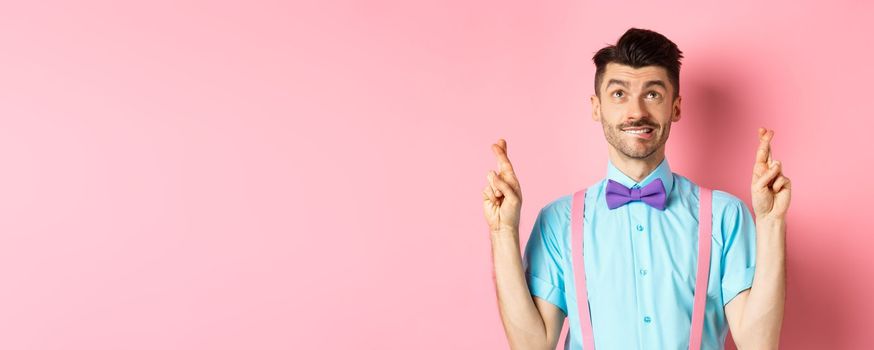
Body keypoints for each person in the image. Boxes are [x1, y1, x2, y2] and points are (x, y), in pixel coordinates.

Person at [482, 28, 789, 349]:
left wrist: (771, 223)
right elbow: (532, 345)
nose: (636, 112)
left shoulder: (726, 216)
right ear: (596, 106)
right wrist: (503, 231)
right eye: (619, 94)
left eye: (653, 94)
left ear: (676, 107)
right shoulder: (558, 220)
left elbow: (758, 344)